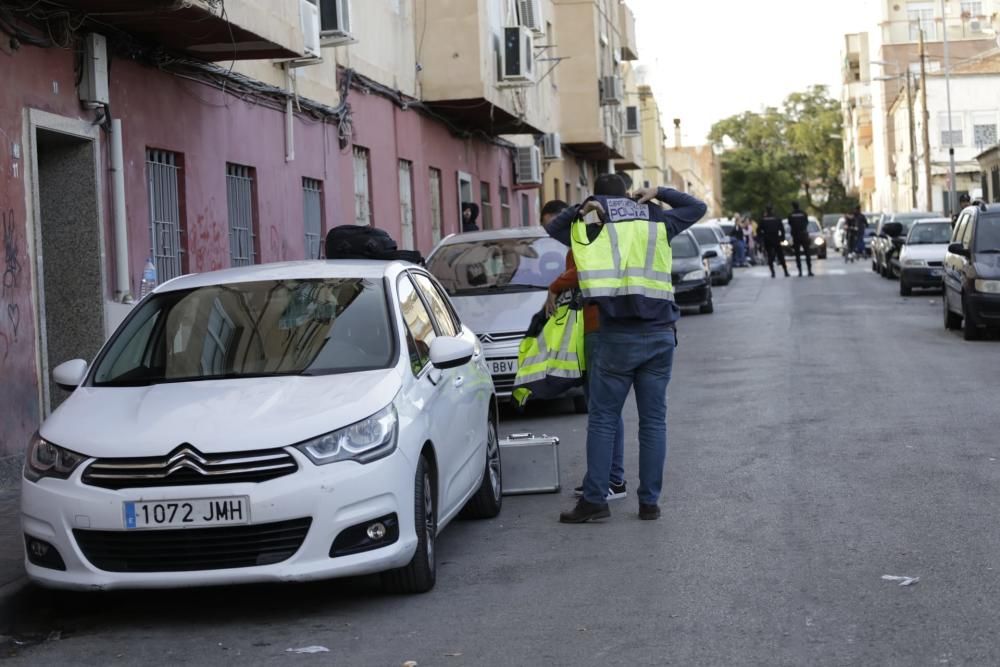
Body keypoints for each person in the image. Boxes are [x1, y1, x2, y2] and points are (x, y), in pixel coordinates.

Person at [544, 174, 707, 523]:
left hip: (616, 335)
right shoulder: (657, 219)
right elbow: (698, 206)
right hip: (661, 333)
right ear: (631, 195)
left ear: (599, 198)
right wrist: (658, 192)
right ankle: (649, 503)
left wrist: (585, 206)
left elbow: (554, 227)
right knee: (653, 422)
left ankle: (596, 501)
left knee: (603, 419)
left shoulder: (592, 225)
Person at [542, 200, 628, 502]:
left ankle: (612, 479)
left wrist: (554, 287)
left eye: (553, 223)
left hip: (599, 326)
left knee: (604, 409)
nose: (551, 231)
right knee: (602, 409)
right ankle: (604, 477)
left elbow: (582, 270)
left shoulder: (588, 233)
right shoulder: (585, 235)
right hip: (594, 327)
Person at [758, 205, 789, 278]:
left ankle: (773, 272)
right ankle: (785, 271)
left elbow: (758, 230)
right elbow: (782, 229)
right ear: (772, 210)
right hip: (776, 239)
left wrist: (762, 237)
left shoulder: (763, 220)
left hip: (767, 239)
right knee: (780, 256)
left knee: (769, 256)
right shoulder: (777, 219)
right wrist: (782, 238)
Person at [787, 201, 814, 277]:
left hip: (796, 236)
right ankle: (809, 271)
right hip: (804, 235)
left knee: (797, 254)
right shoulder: (803, 213)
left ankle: (800, 271)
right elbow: (806, 222)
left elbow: (790, 224)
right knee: (807, 253)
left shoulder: (791, 215)